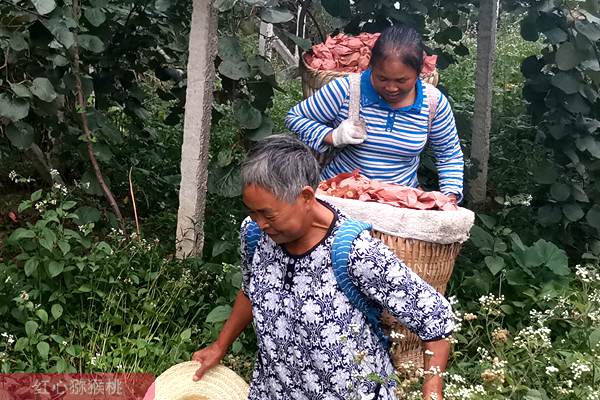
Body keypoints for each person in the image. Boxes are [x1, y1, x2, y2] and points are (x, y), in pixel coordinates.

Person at [192, 135, 455, 400]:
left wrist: (432, 392)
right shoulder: (255, 235)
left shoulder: (354, 252)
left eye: (268, 214)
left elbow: (434, 316)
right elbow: (250, 290)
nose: (259, 222)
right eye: (252, 212)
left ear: (306, 196)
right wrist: (219, 346)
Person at [286, 24, 464, 202]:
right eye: (382, 78)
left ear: (418, 73)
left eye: (402, 80)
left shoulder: (433, 103)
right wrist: (332, 136)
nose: (391, 88)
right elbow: (295, 117)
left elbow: (449, 154)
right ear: (371, 65)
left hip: (398, 203)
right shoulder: (347, 90)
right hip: (341, 197)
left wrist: (451, 197)